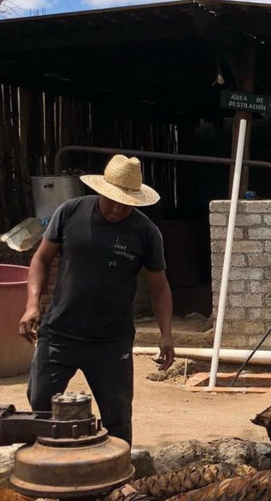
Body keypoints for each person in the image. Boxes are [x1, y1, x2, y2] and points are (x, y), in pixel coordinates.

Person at [19, 155, 175, 445]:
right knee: (40, 406)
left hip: (110, 341)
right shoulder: (70, 213)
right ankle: (47, 475)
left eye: (125, 203)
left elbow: (160, 287)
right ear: (100, 191)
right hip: (59, 332)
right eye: (111, 200)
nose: (117, 208)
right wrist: (32, 304)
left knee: (117, 416)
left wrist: (166, 334)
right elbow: (41, 259)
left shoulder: (145, 233)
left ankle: (118, 484)